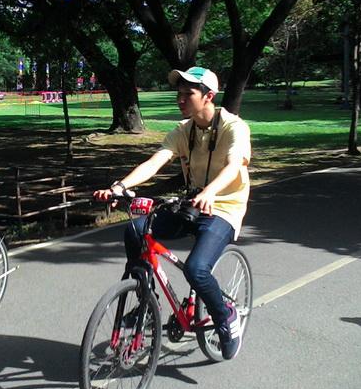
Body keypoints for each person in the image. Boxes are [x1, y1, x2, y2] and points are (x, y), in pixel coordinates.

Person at [93, 66, 251, 360]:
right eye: (178, 93)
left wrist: (211, 192)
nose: (180, 99)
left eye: (187, 94)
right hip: (192, 203)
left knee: (196, 269)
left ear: (208, 97)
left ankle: (226, 316)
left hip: (224, 207)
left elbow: (234, 166)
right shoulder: (183, 130)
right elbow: (155, 162)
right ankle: (145, 302)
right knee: (136, 230)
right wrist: (120, 186)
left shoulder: (234, 127)